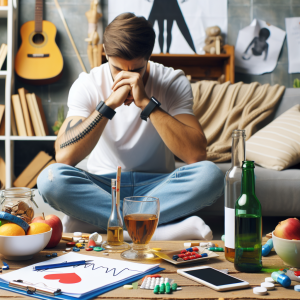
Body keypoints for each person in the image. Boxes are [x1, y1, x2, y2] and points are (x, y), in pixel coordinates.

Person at [37, 13, 223, 231]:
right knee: (50, 179)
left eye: (136, 70)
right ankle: (153, 227)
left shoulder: (172, 80)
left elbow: (196, 155)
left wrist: (147, 103)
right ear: (105, 53)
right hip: (105, 187)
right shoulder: (87, 84)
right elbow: (64, 156)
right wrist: (108, 106)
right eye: (117, 69)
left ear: (148, 57)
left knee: (211, 175)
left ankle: (109, 223)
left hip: (158, 185)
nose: (127, 77)